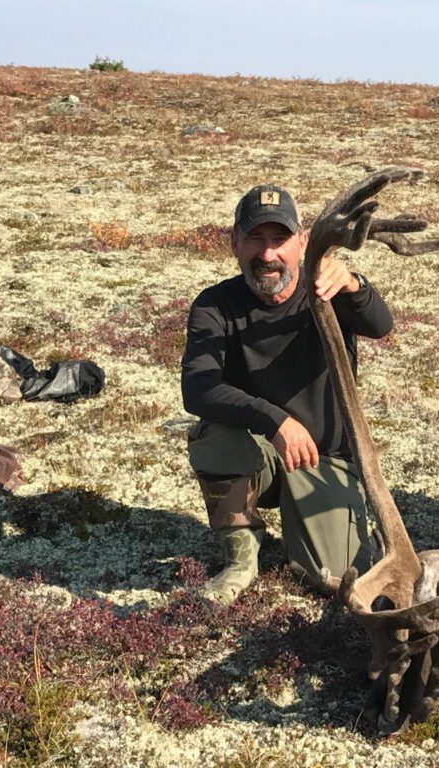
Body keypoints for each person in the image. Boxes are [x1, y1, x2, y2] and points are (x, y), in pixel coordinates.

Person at [181, 184, 393, 604]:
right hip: (261, 453)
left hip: (328, 460)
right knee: (214, 436)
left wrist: (354, 284)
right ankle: (241, 557)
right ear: (235, 243)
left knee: (335, 579)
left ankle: (318, 530)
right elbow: (198, 389)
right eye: (255, 239)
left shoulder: (328, 293)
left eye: (279, 241)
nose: (267, 254)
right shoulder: (214, 306)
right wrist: (275, 420)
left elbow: (380, 325)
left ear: (302, 243)